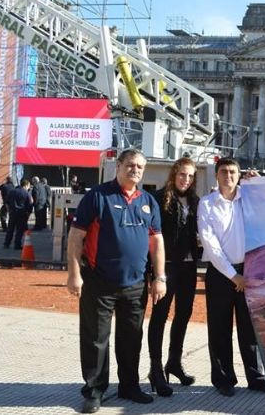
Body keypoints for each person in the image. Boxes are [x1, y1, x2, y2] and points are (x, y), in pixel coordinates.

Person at [66, 149, 167, 414]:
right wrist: (74, 274)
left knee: (131, 338)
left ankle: (130, 386)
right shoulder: (97, 197)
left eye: (141, 166)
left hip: (135, 285)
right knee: (96, 339)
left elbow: (156, 241)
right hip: (99, 282)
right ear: (119, 166)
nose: (136, 170)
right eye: (131, 165)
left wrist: (160, 277)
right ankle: (94, 391)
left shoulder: (148, 201)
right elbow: (76, 237)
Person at [197, 157, 265, 397]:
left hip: (250, 270)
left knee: (250, 327)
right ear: (216, 175)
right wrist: (234, 276)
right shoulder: (207, 204)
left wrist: (260, 183)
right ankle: (223, 378)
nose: (229, 176)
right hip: (222, 274)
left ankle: (256, 378)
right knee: (219, 327)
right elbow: (210, 245)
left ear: (239, 174)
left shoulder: (251, 197)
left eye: (233, 172)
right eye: (224, 172)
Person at [146, 157, 201, 397]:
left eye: (190, 176)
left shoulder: (195, 201)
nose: (186, 180)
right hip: (166, 267)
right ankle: (155, 369)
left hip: (189, 267)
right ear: (173, 174)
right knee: (160, 316)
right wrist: (154, 273)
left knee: (184, 315)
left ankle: (174, 362)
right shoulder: (159, 199)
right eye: (182, 175)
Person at [4, 179, 33, 249]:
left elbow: (6, 202)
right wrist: (28, 214)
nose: (29, 187)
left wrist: (9, 211)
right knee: (19, 230)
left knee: (10, 229)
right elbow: (30, 204)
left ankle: (7, 243)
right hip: (22, 214)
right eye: (29, 186)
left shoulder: (12, 191)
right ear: (26, 185)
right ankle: (17, 244)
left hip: (12, 213)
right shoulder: (26, 193)